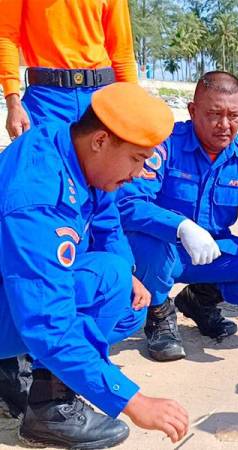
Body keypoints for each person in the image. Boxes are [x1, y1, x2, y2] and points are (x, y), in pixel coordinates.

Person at [0, 83, 189, 448]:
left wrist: (130, 276)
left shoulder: (69, 143)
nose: (138, 173)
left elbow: (107, 222)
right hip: (20, 295)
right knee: (101, 286)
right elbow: (47, 324)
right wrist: (132, 401)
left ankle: (16, 366)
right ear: (101, 140)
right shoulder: (40, 196)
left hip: (12, 282)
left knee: (125, 303)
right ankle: (51, 406)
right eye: (136, 159)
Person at [117, 71, 238, 362]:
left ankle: (199, 299)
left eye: (234, 116)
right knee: (147, 241)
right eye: (214, 114)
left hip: (213, 251)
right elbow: (129, 203)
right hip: (164, 250)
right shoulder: (165, 145)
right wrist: (180, 226)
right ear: (192, 110)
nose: (225, 125)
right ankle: (160, 313)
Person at [0, 0, 137, 139]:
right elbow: (5, 37)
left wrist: (134, 106)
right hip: (46, 102)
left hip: (101, 100)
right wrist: (13, 104)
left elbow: (122, 53)